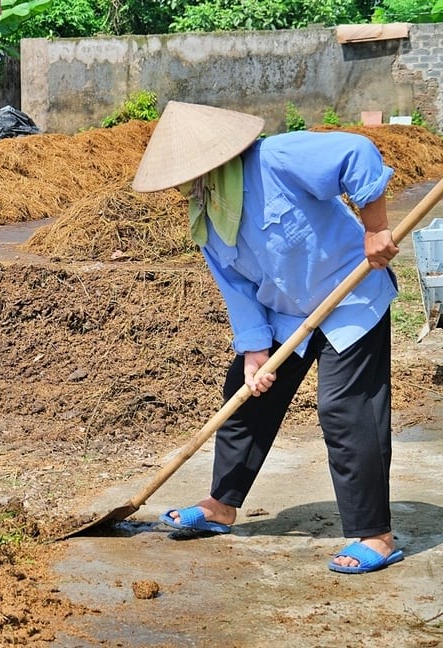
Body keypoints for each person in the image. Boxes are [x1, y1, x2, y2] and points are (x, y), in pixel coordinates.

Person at [132, 101, 403, 574]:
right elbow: (236, 287)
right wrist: (255, 350)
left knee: (345, 409)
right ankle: (222, 505)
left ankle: (374, 534)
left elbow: (357, 152)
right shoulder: (208, 215)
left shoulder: (276, 158)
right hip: (286, 315)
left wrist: (375, 228)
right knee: (243, 392)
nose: (185, 186)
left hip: (351, 297)